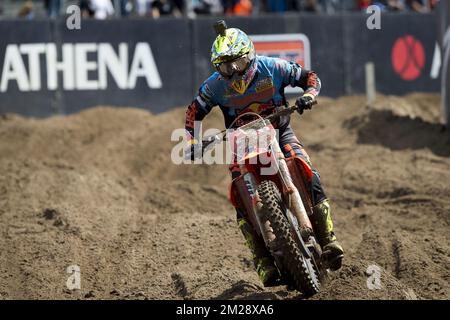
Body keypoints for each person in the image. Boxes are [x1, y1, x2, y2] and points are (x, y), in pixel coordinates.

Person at [184, 22, 344, 286]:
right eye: (225, 67)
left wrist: (309, 95)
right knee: (238, 194)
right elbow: (193, 113)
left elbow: (309, 77)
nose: (233, 72)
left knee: (306, 168)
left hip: (279, 131)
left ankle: (328, 237)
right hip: (241, 142)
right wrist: (191, 141)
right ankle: (262, 260)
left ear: (250, 55)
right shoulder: (214, 86)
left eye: (237, 63)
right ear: (217, 68)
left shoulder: (274, 67)